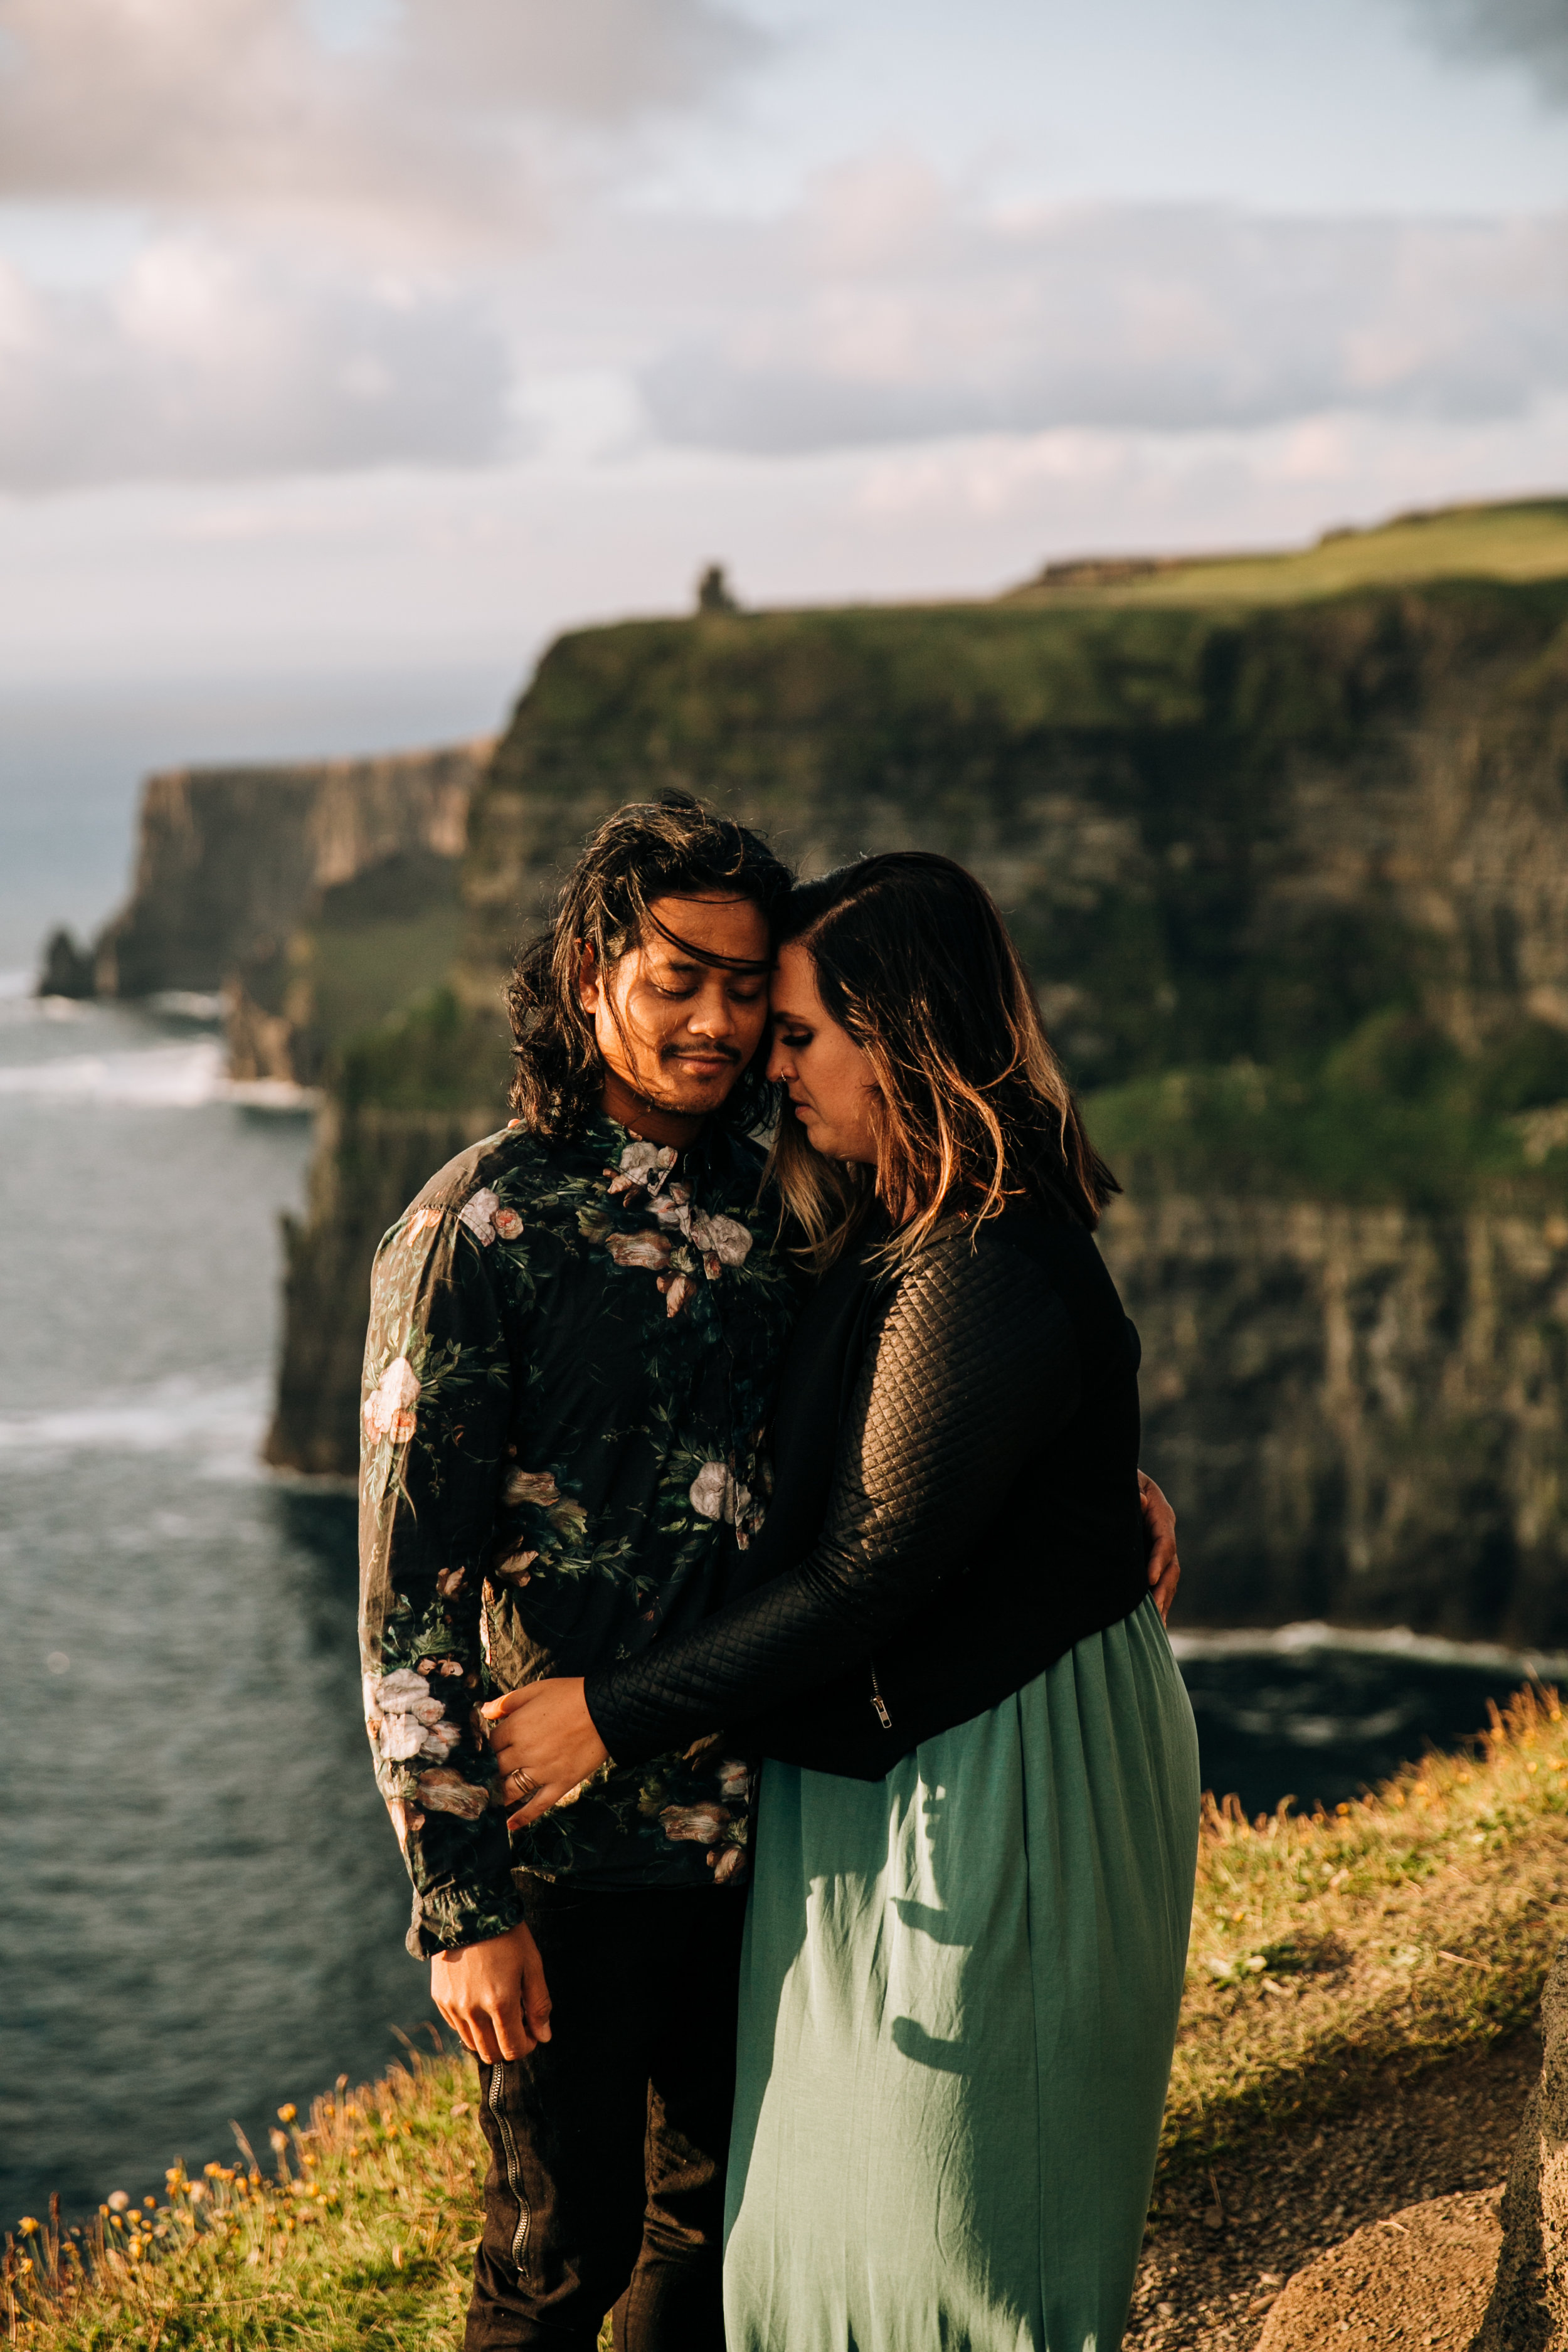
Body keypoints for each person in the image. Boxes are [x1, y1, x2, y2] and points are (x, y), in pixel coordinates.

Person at [487, 850, 1201, 2352]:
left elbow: (869, 1569)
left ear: (904, 1035)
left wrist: (603, 1719)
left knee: (948, 2229)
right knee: (832, 2231)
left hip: (993, 1771)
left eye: (800, 1032)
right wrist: (1086, 1494)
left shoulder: (976, 1260)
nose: (766, 1059)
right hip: (881, 1765)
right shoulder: (878, 1200)